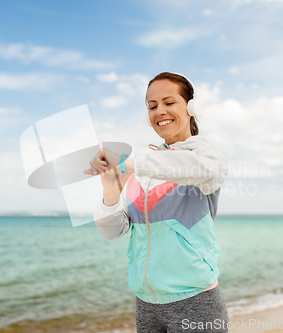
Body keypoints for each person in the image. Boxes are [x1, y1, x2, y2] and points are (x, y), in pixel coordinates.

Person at [84, 72, 229, 332]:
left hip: (195, 302)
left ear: (191, 107)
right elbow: (112, 231)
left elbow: (199, 169)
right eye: (152, 106)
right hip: (146, 303)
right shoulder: (142, 170)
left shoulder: (206, 155)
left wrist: (127, 163)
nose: (159, 111)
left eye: (168, 102)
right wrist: (110, 188)